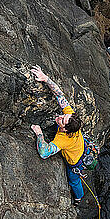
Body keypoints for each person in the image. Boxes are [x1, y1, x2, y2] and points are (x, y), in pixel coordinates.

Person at [30, 66, 85, 204]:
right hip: (78, 147)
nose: (60, 117)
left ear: (66, 130)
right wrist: (45, 78)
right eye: (63, 116)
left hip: (74, 161)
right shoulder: (70, 117)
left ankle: (79, 198)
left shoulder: (63, 140)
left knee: (74, 181)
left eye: (62, 120)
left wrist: (39, 134)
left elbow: (44, 153)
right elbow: (59, 95)